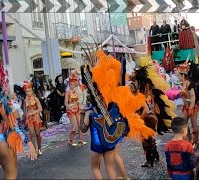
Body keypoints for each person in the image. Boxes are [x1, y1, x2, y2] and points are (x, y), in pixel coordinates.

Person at [79, 49, 156, 179]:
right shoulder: (112, 106)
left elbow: (83, 128)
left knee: (95, 168)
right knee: (110, 167)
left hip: (97, 144)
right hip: (110, 140)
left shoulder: (90, 111)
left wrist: (82, 113)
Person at [178, 62, 199, 149]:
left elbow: (193, 96)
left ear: (183, 75)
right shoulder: (182, 84)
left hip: (192, 107)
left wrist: (191, 107)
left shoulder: (190, 84)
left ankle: (196, 141)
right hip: (185, 106)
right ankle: (189, 140)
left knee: (194, 124)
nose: (178, 76)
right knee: (184, 123)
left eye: (179, 74)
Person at [65, 70, 87, 147]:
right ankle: (70, 140)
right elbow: (65, 103)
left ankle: (81, 140)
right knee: (74, 128)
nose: (72, 85)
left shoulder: (77, 91)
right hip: (71, 111)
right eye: (71, 84)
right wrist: (70, 109)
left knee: (80, 125)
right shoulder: (67, 92)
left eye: (73, 84)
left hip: (77, 110)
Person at [23, 81, 44, 155]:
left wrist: (33, 113)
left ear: (32, 91)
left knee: (38, 134)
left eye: (29, 91)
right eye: (27, 91)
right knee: (32, 134)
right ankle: (34, 150)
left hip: (36, 117)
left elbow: (40, 109)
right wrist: (25, 118)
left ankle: (39, 148)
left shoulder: (35, 99)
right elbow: (25, 111)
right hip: (29, 119)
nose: (28, 93)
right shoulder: (25, 100)